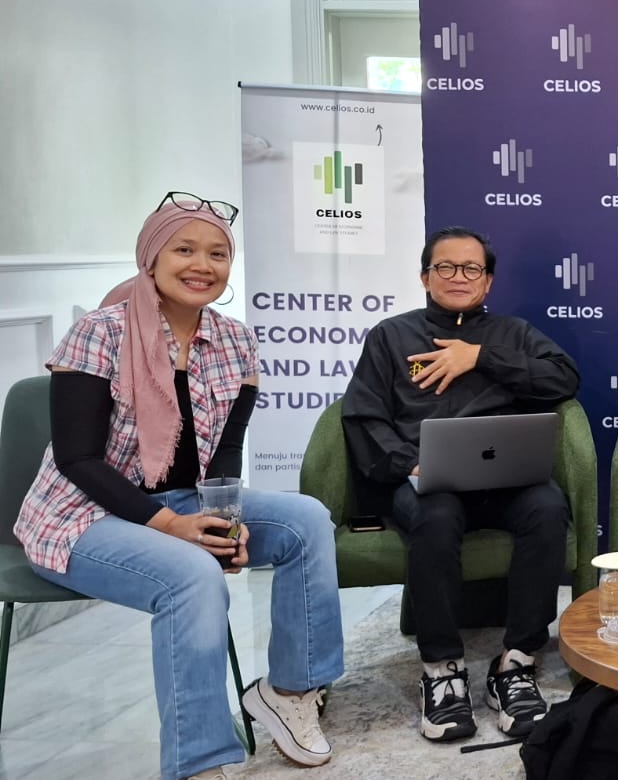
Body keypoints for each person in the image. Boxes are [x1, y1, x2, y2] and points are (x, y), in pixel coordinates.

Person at [14, 193, 343, 780]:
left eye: (218, 253)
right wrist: (173, 529)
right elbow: (78, 459)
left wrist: (228, 522)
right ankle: (200, 762)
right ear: (151, 257)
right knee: (191, 574)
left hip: (186, 502)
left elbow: (226, 457)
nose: (203, 264)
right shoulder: (99, 333)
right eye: (184, 249)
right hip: (80, 516)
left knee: (306, 520)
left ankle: (289, 692)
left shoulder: (236, 341)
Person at [342, 226, 579, 743]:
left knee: (547, 505)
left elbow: (564, 379)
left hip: (503, 483)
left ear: (488, 282)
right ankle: (442, 671)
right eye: (445, 267)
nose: (458, 277)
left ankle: (516, 662)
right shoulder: (390, 335)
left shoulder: (513, 334)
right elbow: (363, 416)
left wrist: (480, 356)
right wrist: (410, 465)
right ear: (425, 276)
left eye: (471, 269)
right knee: (437, 512)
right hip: (426, 483)